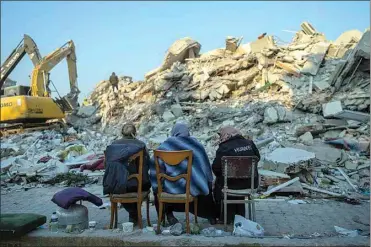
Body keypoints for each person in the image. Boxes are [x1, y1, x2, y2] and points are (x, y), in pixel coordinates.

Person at [149, 123, 217, 225]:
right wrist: (207, 181)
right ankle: (210, 216)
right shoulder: (196, 146)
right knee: (204, 184)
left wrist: (157, 186)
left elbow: (155, 167)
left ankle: (167, 215)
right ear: (187, 132)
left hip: (171, 188)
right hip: (192, 187)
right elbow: (205, 168)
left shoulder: (164, 146)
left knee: (157, 187)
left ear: (174, 132)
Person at [103, 123, 151, 225]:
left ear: (121, 133)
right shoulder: (141, 145)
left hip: (118, 186)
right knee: (139, 182)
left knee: (121, 183)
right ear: (135, 133)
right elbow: (147, 164)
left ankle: (133, 214)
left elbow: (107, 167)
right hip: (139, 185)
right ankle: (134, 214)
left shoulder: (113, 146)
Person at [212, 126, 260, 224]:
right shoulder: (249, 143)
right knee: (235, 182)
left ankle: (225, 217)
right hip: (249, 184)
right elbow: (257, 158)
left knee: (218, 183)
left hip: (230, 185)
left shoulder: (223, 147)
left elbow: (215, 168)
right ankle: (240, 215)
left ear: (226, 135)